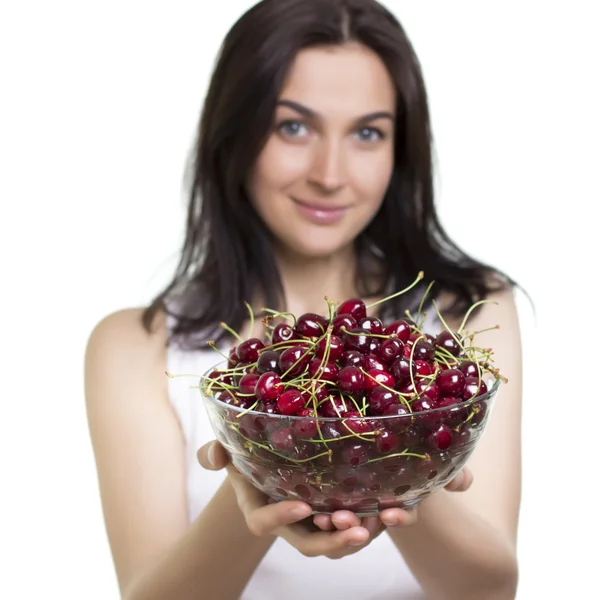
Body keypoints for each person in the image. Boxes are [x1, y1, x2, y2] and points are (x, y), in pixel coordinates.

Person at [84, 0, 525, 598]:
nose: (330, 173)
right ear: (234, 133)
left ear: (401, 152)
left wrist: (401, 464)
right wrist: (257, 480)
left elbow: (490, 590)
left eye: (367, 133)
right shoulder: (136, 347)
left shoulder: (466, 314)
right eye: (293, 126)